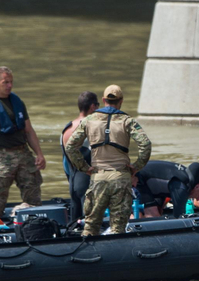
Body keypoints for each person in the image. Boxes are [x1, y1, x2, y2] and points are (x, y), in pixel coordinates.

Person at [65, 85, 152, 236]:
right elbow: (145, 144)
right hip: (121, 177)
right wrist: (136, 167)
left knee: (91, 227)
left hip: (98, 177)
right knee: (118, 229)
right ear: (121, 101)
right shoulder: (127, 121)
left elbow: (70, 146)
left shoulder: (89, 120)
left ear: (104, 100)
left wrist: (84, 167)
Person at [0, 66, 46, 218]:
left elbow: (29, 130)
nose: (9, 86)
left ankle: (35, 227)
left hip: (24, 154)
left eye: (11, 82)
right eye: (5, 82)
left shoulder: (17, 102)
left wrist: (39, 154)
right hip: (2, 157)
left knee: (33, 195)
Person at [61, 91, 99, 222]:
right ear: (93, 106)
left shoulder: (67, 129)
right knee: (90, 225)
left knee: (75, 226)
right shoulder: (91, 126)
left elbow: (66, 163)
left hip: (73, 183)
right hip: (87, 183)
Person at [135, 161, 199, 218]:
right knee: (153, 215)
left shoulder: (184, 177)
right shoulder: (181, 187)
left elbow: (161, 186)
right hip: (138, 178)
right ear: (197, 187)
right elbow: (179, 217)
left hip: (151, 184)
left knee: (159, 212)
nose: (198, 198)